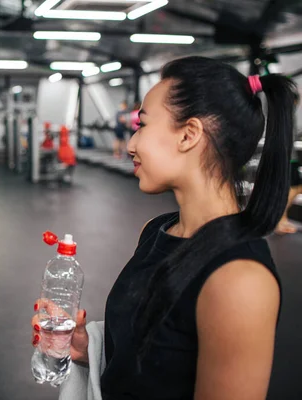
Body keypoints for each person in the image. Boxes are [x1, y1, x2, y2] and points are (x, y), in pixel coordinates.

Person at [31, 56, 297, 399]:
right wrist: (87, 350)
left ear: (189, 135)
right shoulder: (157, 231)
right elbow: (148, 362)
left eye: (142, 125)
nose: (131, 144)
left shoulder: (240, 279)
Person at [275, 95, 301, 234]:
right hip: (288, 158)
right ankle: (280, 219)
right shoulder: (286, 116)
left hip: (290, 157)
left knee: (295, 188)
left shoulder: (287, 115)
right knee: (293, 188)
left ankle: (280, 219)